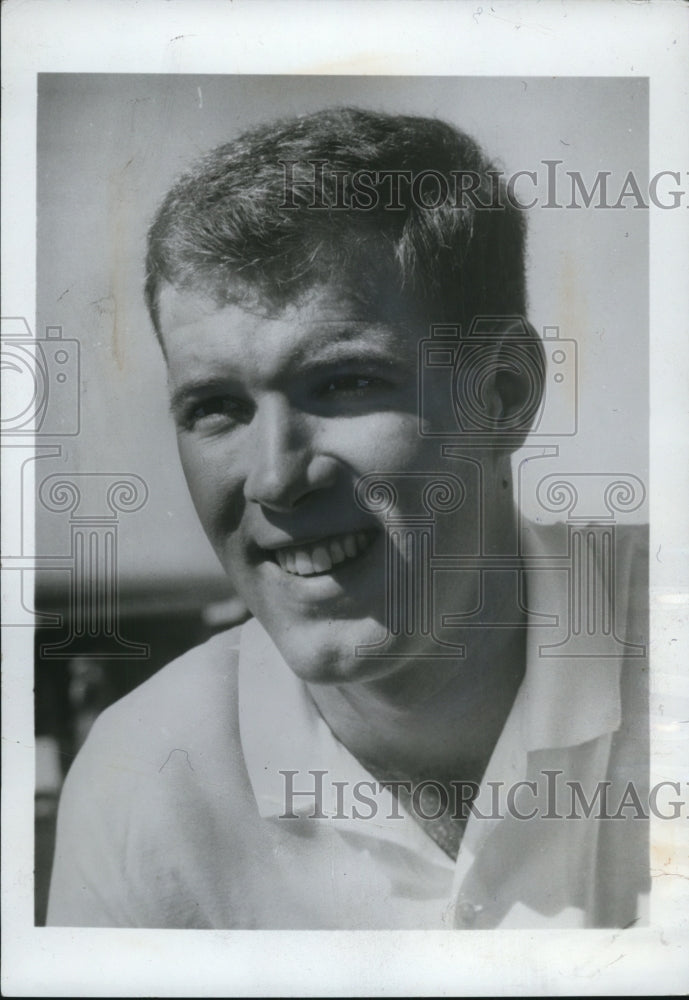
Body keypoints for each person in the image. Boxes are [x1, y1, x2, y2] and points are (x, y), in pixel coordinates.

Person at [47, 107, 649, 929]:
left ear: (502, 393)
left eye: (343, 383)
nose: (275, 479)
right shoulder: (143, 780)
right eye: (217, 407)